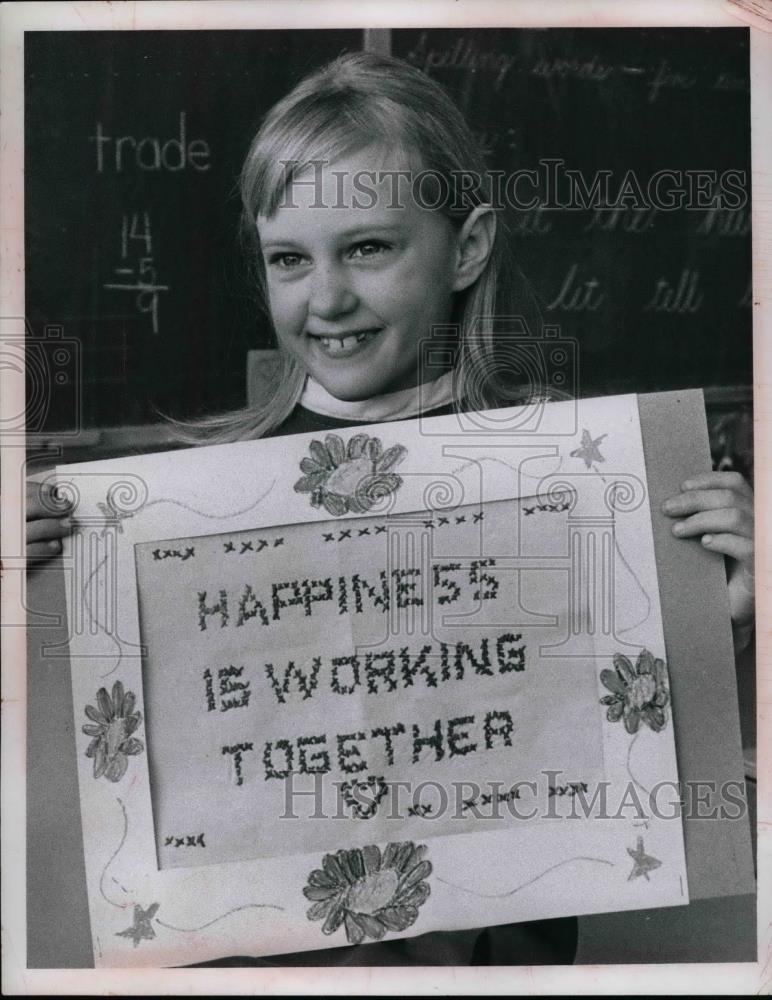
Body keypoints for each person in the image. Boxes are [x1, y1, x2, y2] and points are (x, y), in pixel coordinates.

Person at [26, 51, 755, 965]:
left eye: (368, 247)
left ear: (470, 246)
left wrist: (711, 621)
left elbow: (623, 764)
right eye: (289, 258)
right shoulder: (181, 516)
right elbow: (100, 807)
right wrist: (34, 615)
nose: (325, 298)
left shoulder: (579, 494)